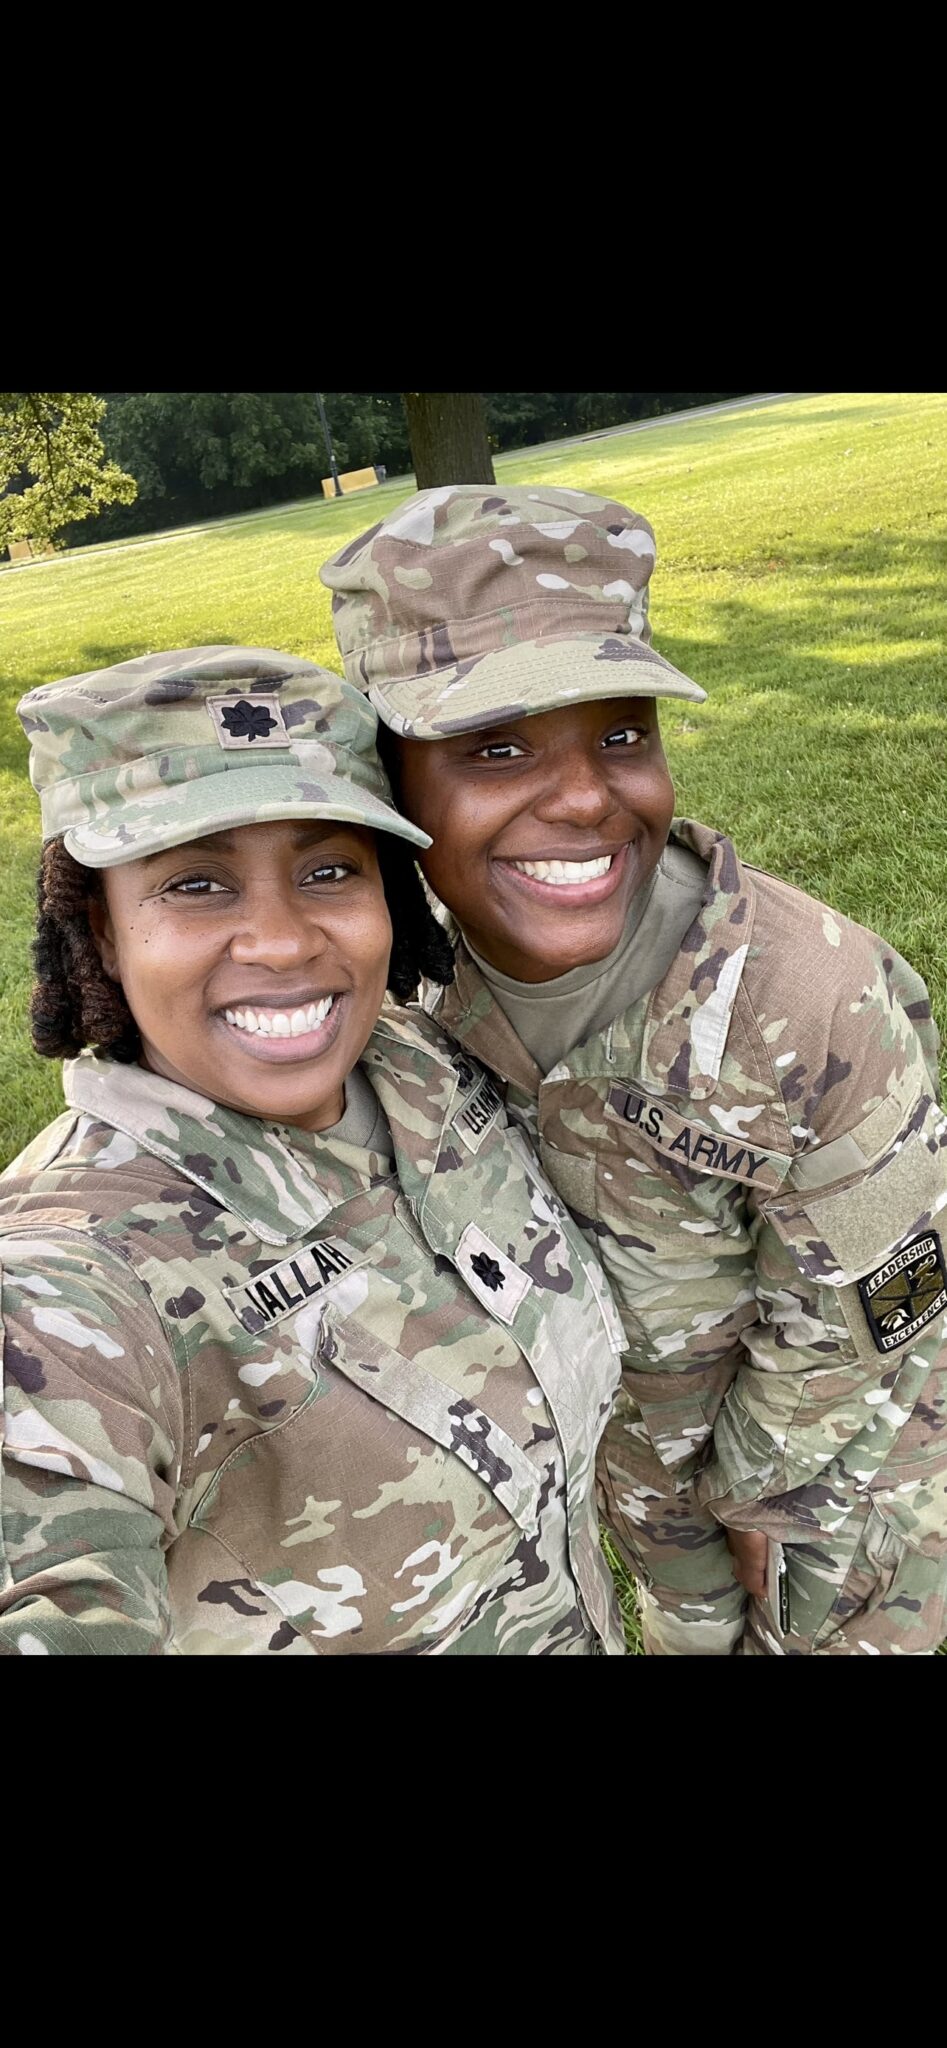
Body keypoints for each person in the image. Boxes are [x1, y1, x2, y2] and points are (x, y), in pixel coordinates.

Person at [321, 484, 947, 1656]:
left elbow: (878, 1294)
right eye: (495, 746)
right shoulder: (384, 991)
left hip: (835, 1469)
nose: (581, 795)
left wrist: (756, 1494)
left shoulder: (811, 1001)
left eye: (621, 733)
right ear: (381, 775)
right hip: (637, 1479)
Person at [0, 644, 628, 1656]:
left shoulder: (428, 1065)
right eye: (196, 883)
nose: (283, 941)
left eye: (328, 870)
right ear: (101, 932)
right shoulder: (64, 1288)